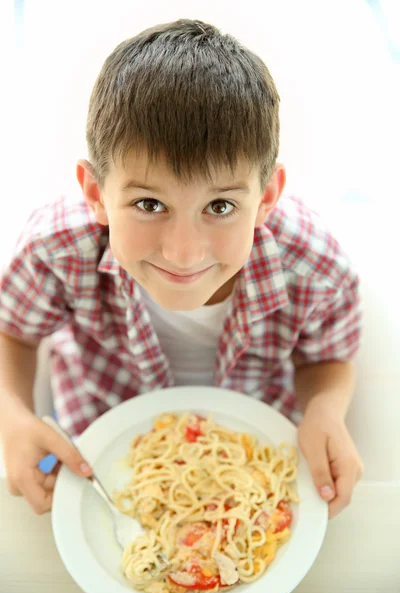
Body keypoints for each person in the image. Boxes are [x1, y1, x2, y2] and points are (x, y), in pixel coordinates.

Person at [0, 19, 363, 519]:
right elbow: (12, 333)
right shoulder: (55, 250)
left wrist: (325, 408)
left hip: (253, 443)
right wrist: (12, 416)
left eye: (219, 207)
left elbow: (330, 358)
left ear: (267, 198)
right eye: (149, 204)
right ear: (95, 194)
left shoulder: (317, 269)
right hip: (96, 432)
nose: (184, 253)